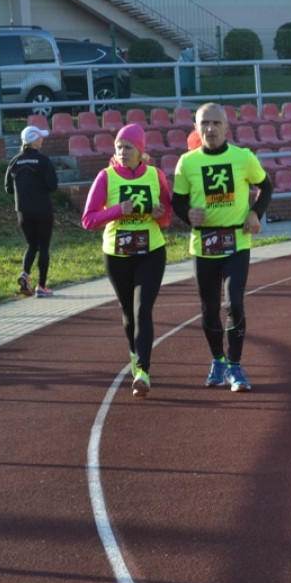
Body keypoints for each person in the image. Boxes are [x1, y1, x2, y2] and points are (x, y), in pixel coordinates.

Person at [172, 102, 274, 392]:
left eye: (216, 123)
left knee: (234, 303)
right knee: (209, 309)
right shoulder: (187, 163)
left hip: (236, 242)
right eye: (204, 123)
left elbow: (266, 186)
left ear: (226, 127)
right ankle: (217, 360)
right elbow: (178, 200)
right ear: (196, 127)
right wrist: (187, 213)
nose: (210, 129)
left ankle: (235, 365)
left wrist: (256, 212)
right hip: (203, 245)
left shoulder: (242, 157)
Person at [81, 123, 173, 398]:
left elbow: (167, 218)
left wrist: (159, 214)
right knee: (128, 312)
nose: (121, 152)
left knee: (142, 309)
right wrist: (117, 211)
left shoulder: (156, 176)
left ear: (140, 150)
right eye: (118, 147)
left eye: (128, 147)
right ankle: (135, 354)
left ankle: (143, 371)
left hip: (151, 252)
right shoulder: (106, 177)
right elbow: (88, 220)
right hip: (117, 255)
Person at [5, 125, 58, 297]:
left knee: (31, 245)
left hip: (23, 212)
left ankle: (25, 274)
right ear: (34, 141)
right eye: (40, 137)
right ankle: (41, 287)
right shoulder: (43, 161)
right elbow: (53, 186)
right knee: (43, 247)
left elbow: (8, 189)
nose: (42, 139)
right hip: (43, 210)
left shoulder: (14, 161)